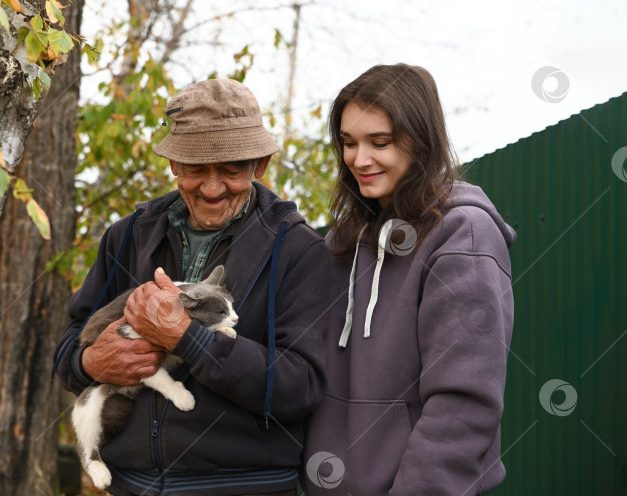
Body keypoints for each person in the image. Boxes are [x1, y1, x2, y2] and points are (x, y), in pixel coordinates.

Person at [53, 78, 328, 496]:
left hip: (247, 489)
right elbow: (69, 345)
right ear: (173, 164)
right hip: (131, 487)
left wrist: (190, 340)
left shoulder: (299, 250)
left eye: (232, 169)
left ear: (260, 165)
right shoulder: (127, 235)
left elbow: (300, 387)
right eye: (196, 168)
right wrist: (90, 363)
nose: (212, 188)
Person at [302, 64, 515, 496]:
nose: (359, 159)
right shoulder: (344, 239)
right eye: (348, 142)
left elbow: (464, 404)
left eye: (379, 142)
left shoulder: (463, 235)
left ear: (420, 139)